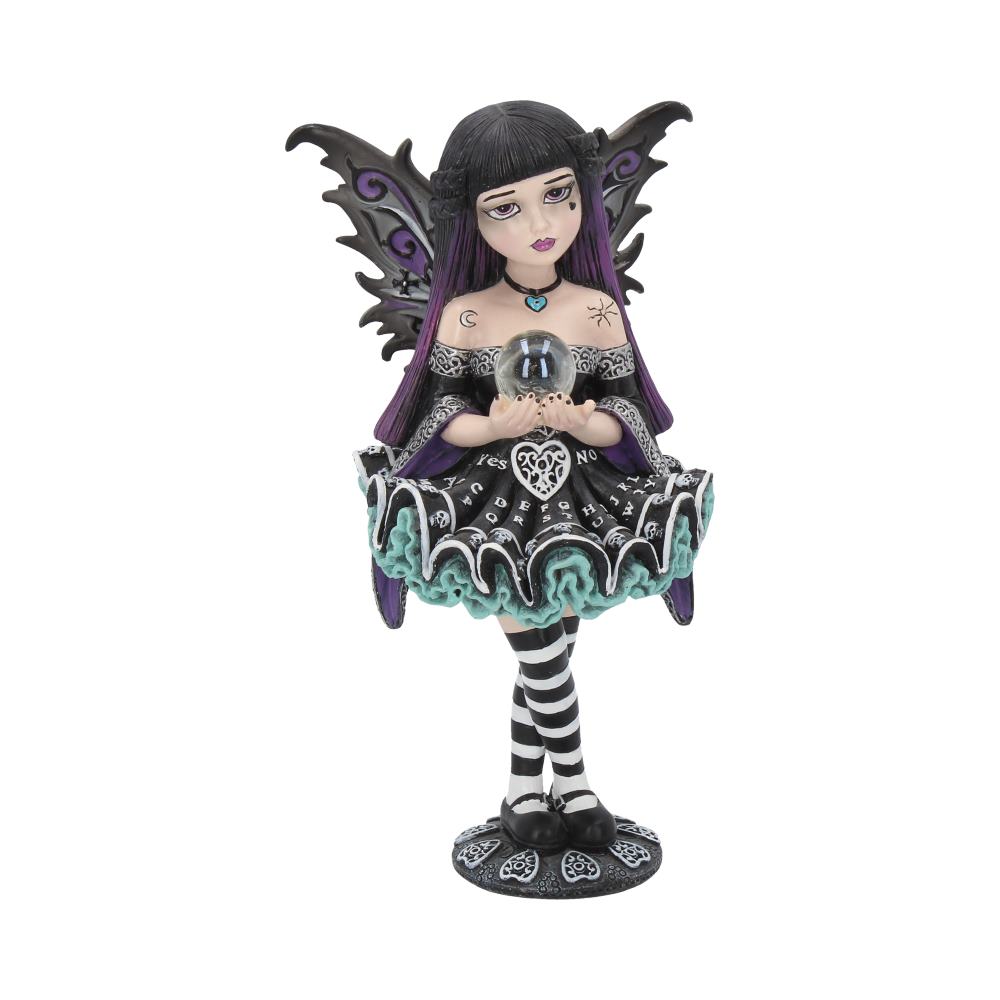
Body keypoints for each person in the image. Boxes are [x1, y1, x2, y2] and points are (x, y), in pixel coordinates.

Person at [289, 100, 714, 852]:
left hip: (583, 502)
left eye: (558, 194)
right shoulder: (466, 315)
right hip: (490, 505)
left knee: (551, 647)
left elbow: (628, 415)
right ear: (472, 220)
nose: (539, 223)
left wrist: (583, 422)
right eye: (505, 208)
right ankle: (575, 784)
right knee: (542, 654)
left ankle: (523, 792)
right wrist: (491, 427)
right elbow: (438, 411)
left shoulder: (597, 311)